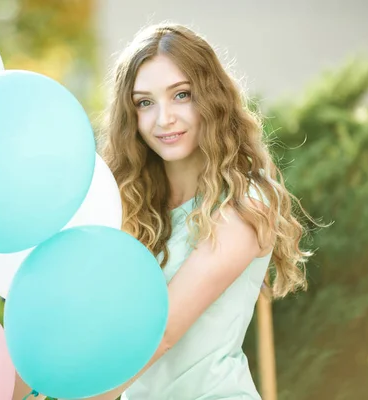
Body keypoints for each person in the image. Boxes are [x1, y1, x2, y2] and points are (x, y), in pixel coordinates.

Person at [90, 23, 313, 400]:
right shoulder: (126, 205)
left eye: (181, 95)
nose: (163, 119)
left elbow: (160, 333)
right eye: (145, 102)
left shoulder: (245, 203)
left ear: (210, 97)